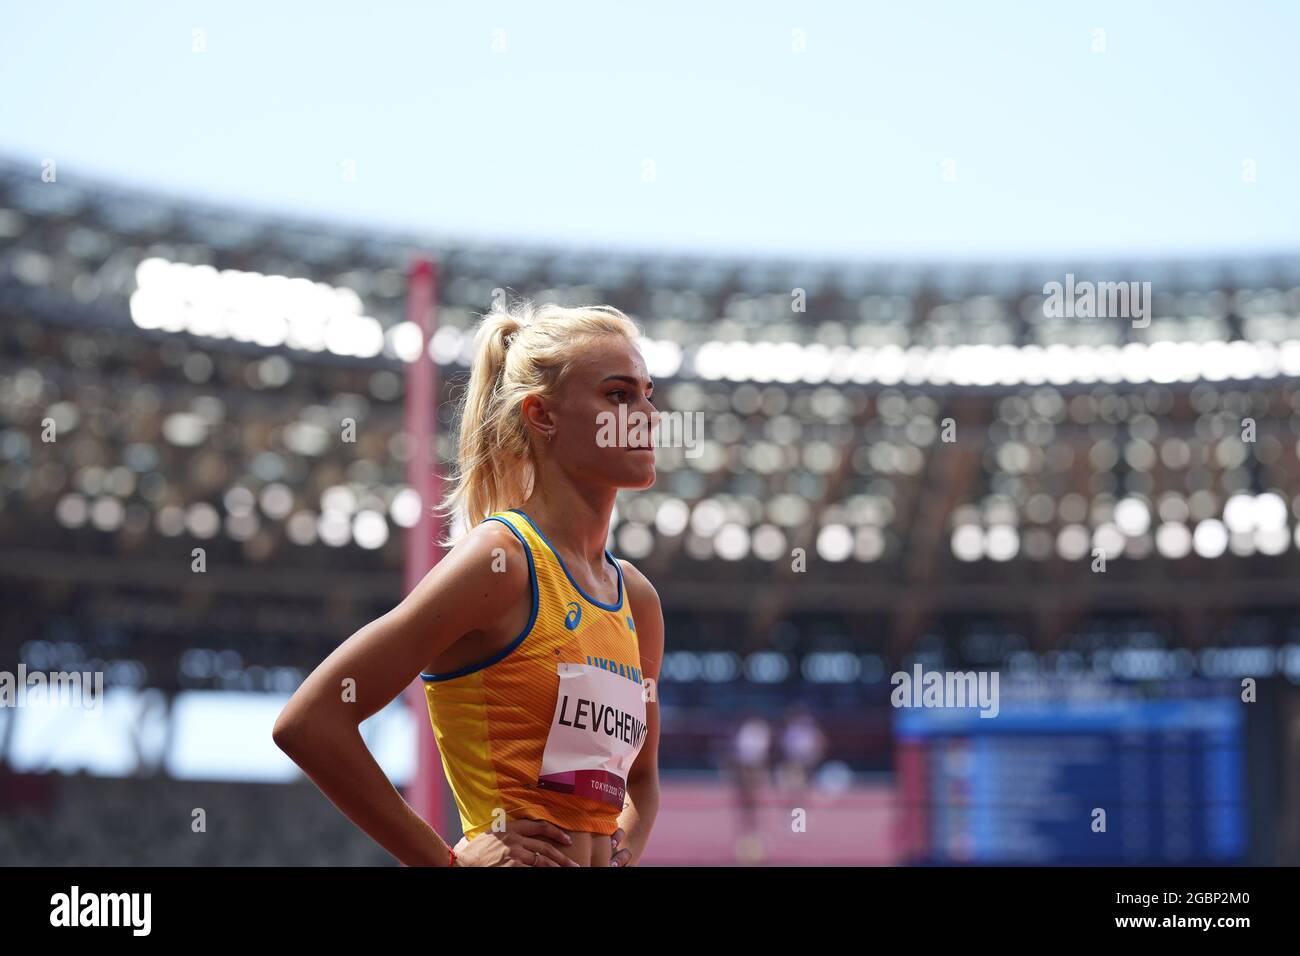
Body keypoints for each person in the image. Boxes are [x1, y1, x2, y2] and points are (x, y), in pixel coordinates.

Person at [273, 301, 663, 866]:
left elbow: (644, 782)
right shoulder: (501, 562)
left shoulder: (637, 602)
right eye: (618, 395)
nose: (648, 414)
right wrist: (447, 865)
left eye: (648, 394)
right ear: (542, 414)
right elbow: (310, 721)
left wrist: (623, 847)